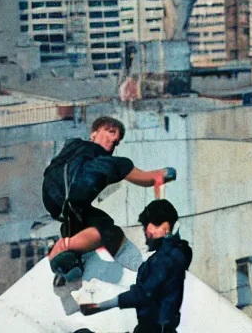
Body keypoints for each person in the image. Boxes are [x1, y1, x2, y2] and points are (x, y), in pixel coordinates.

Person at [43, 116, 176, 281]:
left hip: (52, 199)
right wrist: (164, 173)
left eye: (117, 140)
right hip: (73, 196)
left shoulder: (72, 145)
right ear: (94, 133)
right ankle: (62, 248)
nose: (113, 139)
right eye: (110, 132)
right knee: (106, 230)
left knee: (83, 222)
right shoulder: (113, 163)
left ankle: (71, 258)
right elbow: (146, 178)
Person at [80, 199, 192, 333]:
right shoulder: (170, 255)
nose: (145, 232)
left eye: (146, 227)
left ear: (165, 226)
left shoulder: (165, 260)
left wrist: (99, 306)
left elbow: (142, 294)